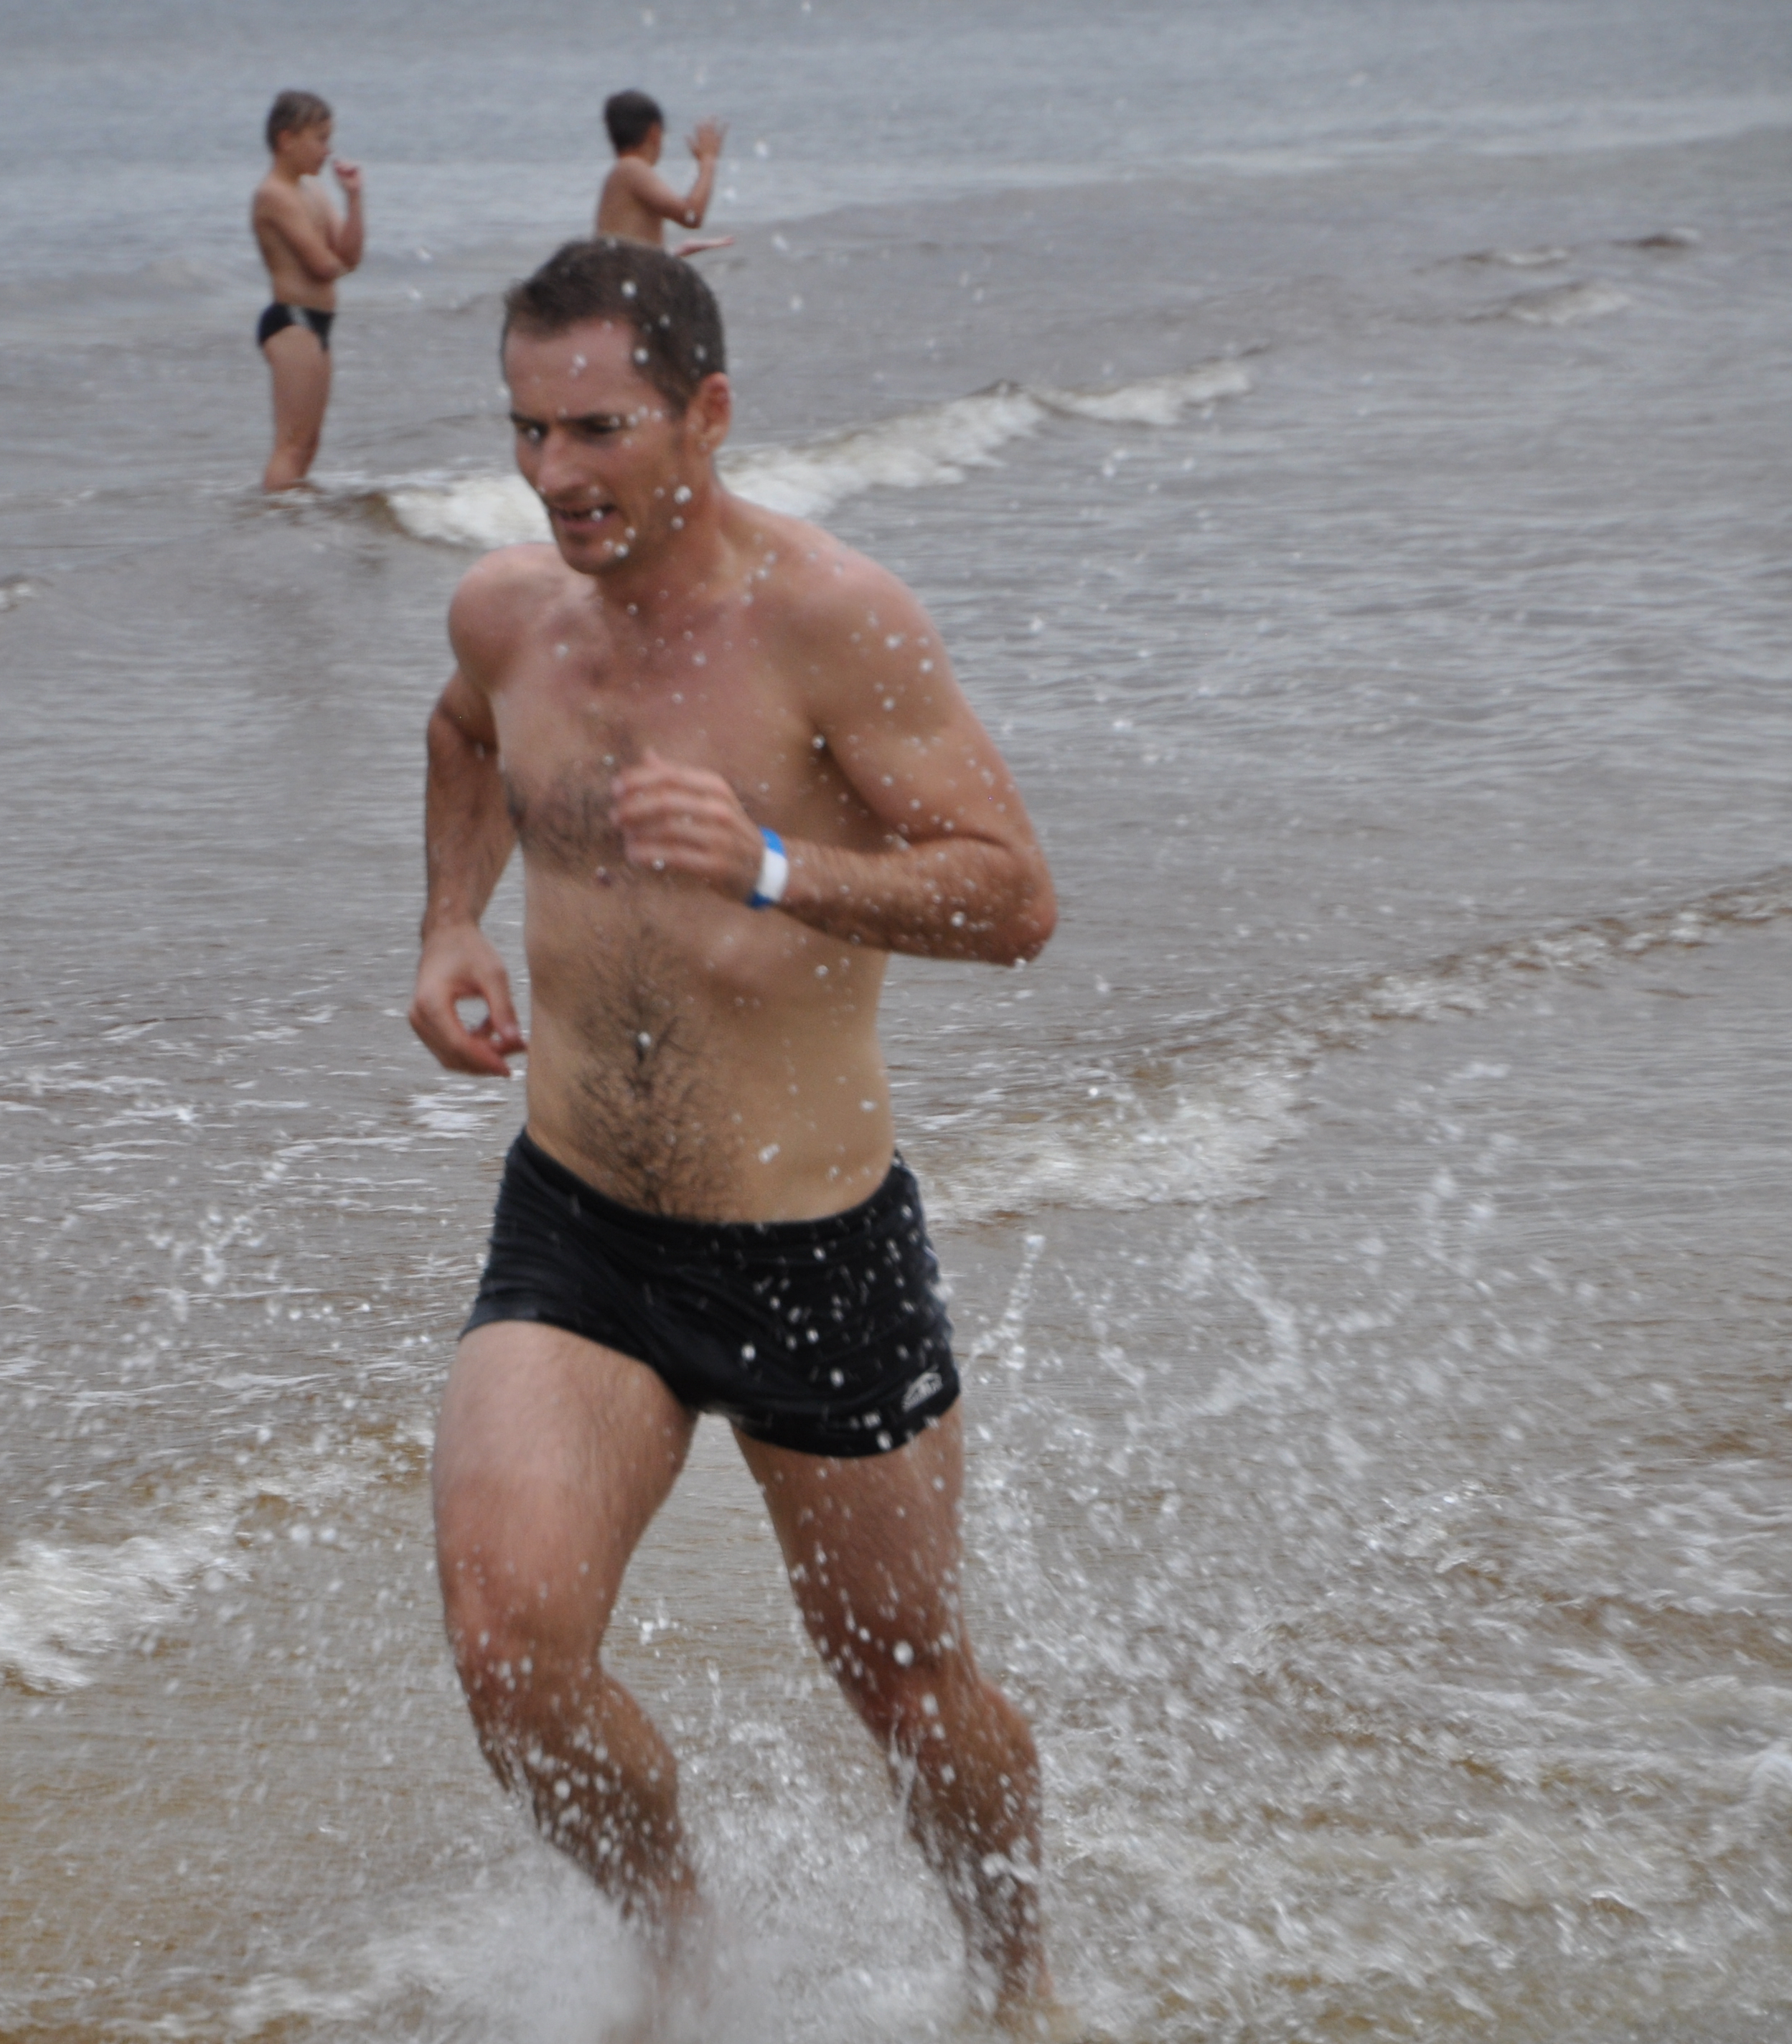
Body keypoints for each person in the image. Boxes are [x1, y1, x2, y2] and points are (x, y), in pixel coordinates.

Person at [407, 237, 1061, 2027]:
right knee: (508, 1651)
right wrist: (448, 923)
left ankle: (1012, 1978)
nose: (553, 474)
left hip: (810, 1244)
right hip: (578, 1224)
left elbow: (1010, 895)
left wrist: (773, 862)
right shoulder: (505, 615)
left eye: (596, 429)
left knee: (903, 1678)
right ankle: (675, 1944)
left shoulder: (830, 619)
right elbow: (463, 737)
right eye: (526, 430)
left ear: (703, 412)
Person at [250, 89, 365, 492]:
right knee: (292, 443)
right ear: (287, 140)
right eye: (319, 139)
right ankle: (274, 517)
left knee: (309, 443)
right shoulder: (273, 195)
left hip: (319, 323)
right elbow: (323, 266)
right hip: (291, 322)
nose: (327, 150)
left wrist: (354, 198)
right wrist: (338, 263)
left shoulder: (313, 190)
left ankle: (292, 516)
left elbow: (350, 256)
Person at [594, 89, 731, 256]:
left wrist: (677, 252)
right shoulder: (632, 168)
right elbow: (691, 216)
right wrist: (708, 161)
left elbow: (630, 248)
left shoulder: (619, 175)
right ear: (654, 133)